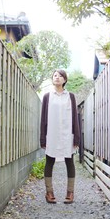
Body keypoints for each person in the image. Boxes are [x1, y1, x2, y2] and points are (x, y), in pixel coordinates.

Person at [40, 69, 80, 204]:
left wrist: (76, 137)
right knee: (49, 160)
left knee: (70, 161)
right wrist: (43, 138)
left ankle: (70, 193)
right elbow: (43, 119)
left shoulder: (71, 96)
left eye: (60, 76)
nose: (57, 78)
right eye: (55, 76)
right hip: (51, 133)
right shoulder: (47, 96)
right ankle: (49, 192)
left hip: (67, 133)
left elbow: (75, 117)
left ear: (65, 80)